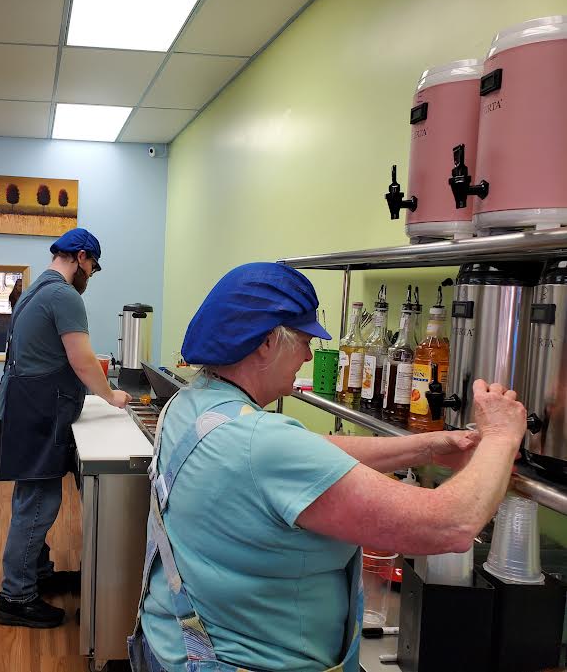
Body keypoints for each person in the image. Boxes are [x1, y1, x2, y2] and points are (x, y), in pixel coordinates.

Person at [129, 262, 528, 672]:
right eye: (303, 339)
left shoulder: (193, 404)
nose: (308, 353)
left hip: (171, 642)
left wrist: (425, 447)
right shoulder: (261, 443)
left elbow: (308, 454)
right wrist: (500, 435)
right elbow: (451, 524)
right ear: (265, 342)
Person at [0, 227, 131, 629]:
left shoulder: (33, 291)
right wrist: (111, 396)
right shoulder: (64, 295)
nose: (91, 276)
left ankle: (39, 573)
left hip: (24, 406)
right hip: (39, 411)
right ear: (81, 256)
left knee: (30, 495)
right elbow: (82, 361)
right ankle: (15, 596)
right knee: (39, 502)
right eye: (93, 267)